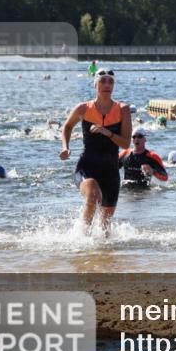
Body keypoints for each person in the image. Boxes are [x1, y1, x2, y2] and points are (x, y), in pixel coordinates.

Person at [60, 68, 132, 232]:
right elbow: (67, 126)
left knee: (105, 229)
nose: (107, 84)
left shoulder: (123, 110)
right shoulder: (83, 109)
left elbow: (126, 144)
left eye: (110, 81)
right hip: (87, 167)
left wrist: (108, 133)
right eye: (102, 81)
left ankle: (101, 255)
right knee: (93, 195)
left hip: (111, 171)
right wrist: (66, 147)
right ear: (95, 85)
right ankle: (81, 238)